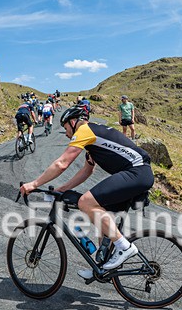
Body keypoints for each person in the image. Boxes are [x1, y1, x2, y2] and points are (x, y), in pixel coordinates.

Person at [19, 106, 154, 279]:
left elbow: (62, 163)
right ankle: (103, 268)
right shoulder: (93, 141)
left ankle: (124, 247)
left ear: (73, 122)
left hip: (137, 172)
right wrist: (62, 189)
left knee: (85, 202)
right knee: (101, 215)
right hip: (138, 173)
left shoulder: (85, 130)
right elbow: (86, 171)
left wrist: (34, 184)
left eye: (66, 128)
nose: (67, 134)